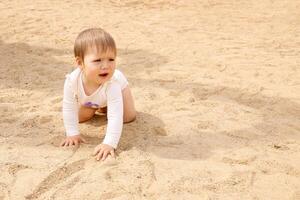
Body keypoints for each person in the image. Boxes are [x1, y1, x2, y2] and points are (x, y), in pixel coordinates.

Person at [60, 28, 136, 161]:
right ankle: (98, 105)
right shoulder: (72, 81)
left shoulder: (113, 83)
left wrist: (109, 143)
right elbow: (68, 107)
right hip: (92, 99)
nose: (105, 65)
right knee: (80, 118)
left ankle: (103, 105)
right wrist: (72, 134)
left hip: (119, 91)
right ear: (80, 63)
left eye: (111, 59)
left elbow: (115, 116)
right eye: (97, 61)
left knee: (127, 116)